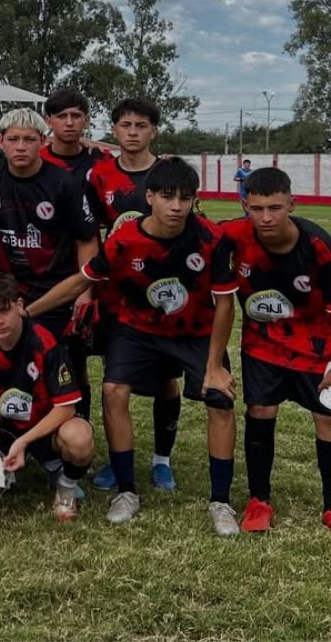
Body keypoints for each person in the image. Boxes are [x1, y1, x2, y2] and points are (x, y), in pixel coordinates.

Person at [27, 158, 240, 535]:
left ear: (194, 200)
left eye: (185, 198)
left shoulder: (212, 239)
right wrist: (28, 312)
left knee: (219, 398)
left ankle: (220, 501)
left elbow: (224, 304)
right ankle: (126, 491)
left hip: (195, 331)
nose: (176, 206)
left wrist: (215, 365)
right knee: (113, 390)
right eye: (168, 197)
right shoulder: (124, 240)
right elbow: (80, 281)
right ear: (150, 196)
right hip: (137, 329)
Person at [0, 107, 99, 438]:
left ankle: (75, 436)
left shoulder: (64, 183)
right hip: (4, 295)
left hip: (55, 292)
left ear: (43, 141)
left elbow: (87, 238)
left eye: (28, 139)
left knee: (69, 366)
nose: (20, 146)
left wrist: (84, 291)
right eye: (13, 139)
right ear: (0, 142)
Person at [221, 167, 331, 531]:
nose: (266, 217)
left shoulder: (317, 245)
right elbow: (194, 237)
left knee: (327, 418)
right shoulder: (235, 235)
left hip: (318, 345)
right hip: (263, 344)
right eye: (256, 208)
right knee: (261, 410)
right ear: (245, 207)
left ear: (291, 205)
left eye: (275, 207)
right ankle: (259, 501)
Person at [86, 97, 184, 493]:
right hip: (115, 293)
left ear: (153, 131)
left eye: (140, 125)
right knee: (115, 376)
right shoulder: (99, 176)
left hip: (161, 294)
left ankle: (162, 460)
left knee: (166, 381)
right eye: (125, 125)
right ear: (114, 129)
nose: (132, 132)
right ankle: (117, 457)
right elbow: (90, 232)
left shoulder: (168, 174)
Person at [0, 273, 94, 520]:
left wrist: (24, 442)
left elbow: (66, 408)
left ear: (19, 306)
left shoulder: (44, 342)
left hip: (44, 425)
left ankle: (65, 487)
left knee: (79, 438)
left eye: (4, 311)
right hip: (2, 425)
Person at [39, 87, 111, 185]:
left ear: (87, 120)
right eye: (62, 116)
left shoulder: (102, 159)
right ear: (49, 121)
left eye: (76, 116)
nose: (69, 123)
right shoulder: (37, 160)